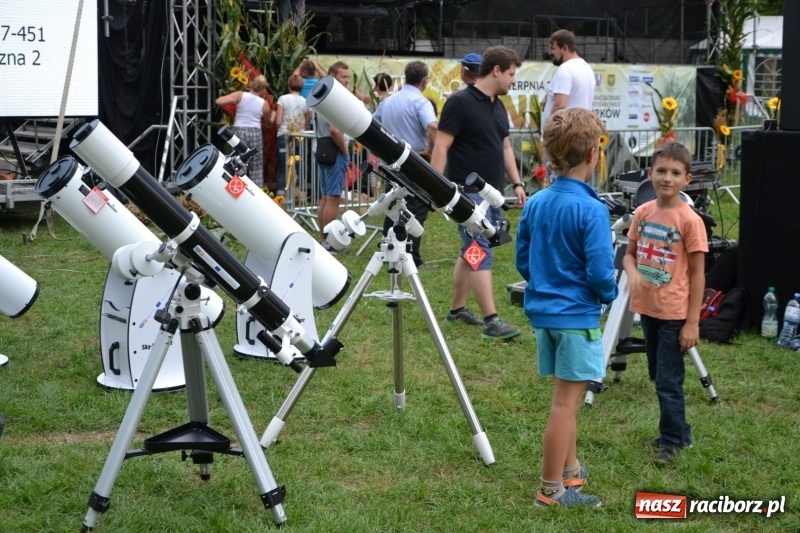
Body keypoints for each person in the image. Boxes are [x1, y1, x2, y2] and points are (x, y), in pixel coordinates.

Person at [515, 107, 618, 508]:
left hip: (545, 316)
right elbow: (599, 271)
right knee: (564, 405)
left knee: (565, 399)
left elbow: (524, 261)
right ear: (593, 153)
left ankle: (571, 471)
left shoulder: (536, 202)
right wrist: (608, 294)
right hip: (578, 318)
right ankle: (550, 490)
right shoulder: (592, 209)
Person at [431, 45, 526, 340]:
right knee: (480, 252)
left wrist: (519, 183)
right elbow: (441, 145)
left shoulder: (498, 105)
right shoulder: (459, 103)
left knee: (469, 252)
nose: (513, 80)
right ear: (496, 70)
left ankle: (457, 310)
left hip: (492, 195)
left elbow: (505, 147)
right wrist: (434, 189)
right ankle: (492, 320)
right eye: (511, 74)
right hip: (467, 195)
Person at [622, 141, 708, 465]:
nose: (667, 178)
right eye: (661, 171)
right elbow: (629, 256)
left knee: (669, 380)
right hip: (648, 308)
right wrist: (632, 274)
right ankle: (677, 431)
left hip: (674, 313)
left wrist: (692, 322)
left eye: (675, 173)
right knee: (658, 375)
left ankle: (672, 442)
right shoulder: (643, 213)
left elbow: (698, 275)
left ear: (687, 179)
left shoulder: (690, 221)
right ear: (650, 174)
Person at [374, 61, 438, 269]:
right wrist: (430, 150)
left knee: (391, 204)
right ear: (424, 81)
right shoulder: (421, 102)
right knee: (417, 209)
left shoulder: (388, 102)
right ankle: (412, 259)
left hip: (391, 162)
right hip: (415, 162)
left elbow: (373, 125)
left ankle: (390, 251)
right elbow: (433, 127)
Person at [316, 61, 352, 250]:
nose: (346, 81)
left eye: (348, 77)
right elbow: (334, 130)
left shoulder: (322, 95)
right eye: (343, 77)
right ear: (332, 76)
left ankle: (323, 239)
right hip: (334, 151)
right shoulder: (333, 99)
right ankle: (329, 242)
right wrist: (345, 151)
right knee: (333, 198)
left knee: (325, 197)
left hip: (322, 150)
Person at [215, 74, 274, 188]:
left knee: (237, 161)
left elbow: (220, 101)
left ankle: (235, 188)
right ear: (263, 89)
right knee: (256, 164)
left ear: (251, 84)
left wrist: (231, 111)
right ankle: (257, 192)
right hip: (255, 132)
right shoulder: (264, 104)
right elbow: (268, 123)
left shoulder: (240, 95)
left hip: (240, 130)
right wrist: (273, 115)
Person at [540, 29, 595, 130]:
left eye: (553, 48)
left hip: (564, 137)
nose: (549, 52)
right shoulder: (587, 67)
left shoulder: (566, 68)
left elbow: (559, 106)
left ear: (565, 48)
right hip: (580, 133)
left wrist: (550, 133)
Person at [274, 74, 311, 197]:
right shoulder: (306, 102)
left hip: (283, 135)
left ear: (288, 85)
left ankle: (281, 196)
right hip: (299, 137)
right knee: (298, 166)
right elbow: (307, 125)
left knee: (283, 167)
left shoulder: (282, 99)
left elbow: (278, 121)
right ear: (301, 86)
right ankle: (297, 195)